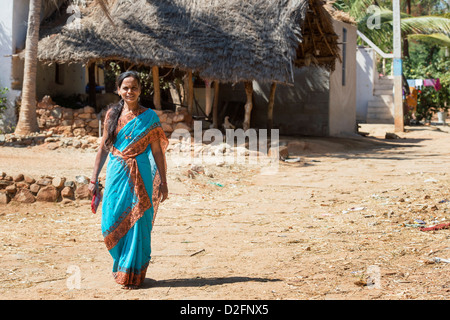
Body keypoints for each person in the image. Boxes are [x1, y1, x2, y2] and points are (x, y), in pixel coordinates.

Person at [88, 70, 168, 289]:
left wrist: (163, 181)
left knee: (139, 221)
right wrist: (93, 179)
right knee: (112, 219)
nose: (129, 91)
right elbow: (104, 148)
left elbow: (158, 152)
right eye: (125, 88)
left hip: (140, 173)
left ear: (140, 90)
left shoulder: (149, 117)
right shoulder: (112, 114)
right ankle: (120, 265)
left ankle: (133, 274)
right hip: (116, 173)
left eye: (134, 87)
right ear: (118, 90)